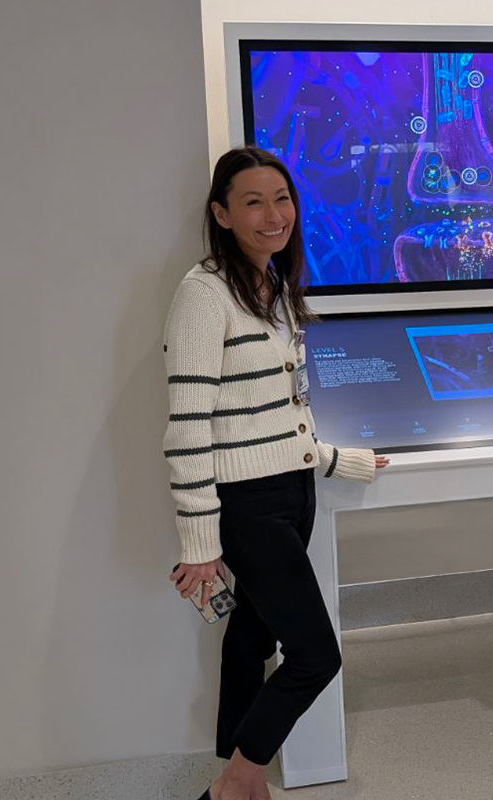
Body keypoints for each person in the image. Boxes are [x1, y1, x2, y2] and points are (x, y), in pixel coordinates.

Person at [162, 147, 388, 800]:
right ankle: (234, 785)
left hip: (292, 492)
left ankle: (243, 779)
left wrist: (339, 461)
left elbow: (285, 411)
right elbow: (187, 428)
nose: (273, 215)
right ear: (221, 214)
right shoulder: (204, 295)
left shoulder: (275, 288)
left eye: (282, 199)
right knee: (315, 656)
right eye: (254, 202)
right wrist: (200, 544)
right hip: (247, 505)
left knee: (252, 635)